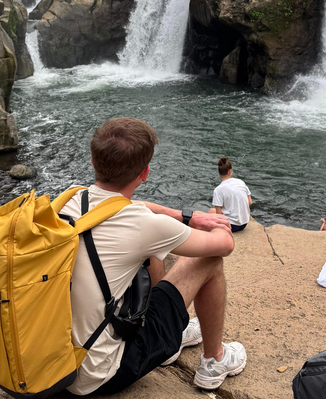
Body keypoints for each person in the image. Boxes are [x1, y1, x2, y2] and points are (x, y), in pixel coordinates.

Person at [57, 118, 246, 395]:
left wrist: (185, 217)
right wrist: (213, 222)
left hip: (57, 365)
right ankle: (215, 360)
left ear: (92, 162)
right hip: (98, 376)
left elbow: (135, 206)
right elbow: (224, 245)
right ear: (144, 173)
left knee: (151, 250)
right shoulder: (144, 225)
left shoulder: (71, 198)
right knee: (209, 260)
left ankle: (169, 340)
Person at [211, 157, 252, 233]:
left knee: (210, 212)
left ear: (219, 172)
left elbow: (219, 214)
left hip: (231, 226)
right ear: (230, 172)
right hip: (244, 223)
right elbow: (249, 202)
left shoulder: (218, 190)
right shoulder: (240, 182)